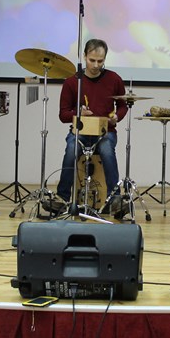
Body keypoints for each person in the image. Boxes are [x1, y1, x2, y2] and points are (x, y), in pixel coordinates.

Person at [55, 39, 127, 212]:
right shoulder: (72, 82)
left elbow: (123, 105)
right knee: (71, 149)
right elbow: (63, 115)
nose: (96, 65)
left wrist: (117, 117)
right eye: (92, 60)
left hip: (105, 131)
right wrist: (78, 113)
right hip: (80, 131)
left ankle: (115, 199)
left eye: (100, 61)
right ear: (84, 56)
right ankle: (62, 198)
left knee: (107, 150)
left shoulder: (114, 79)